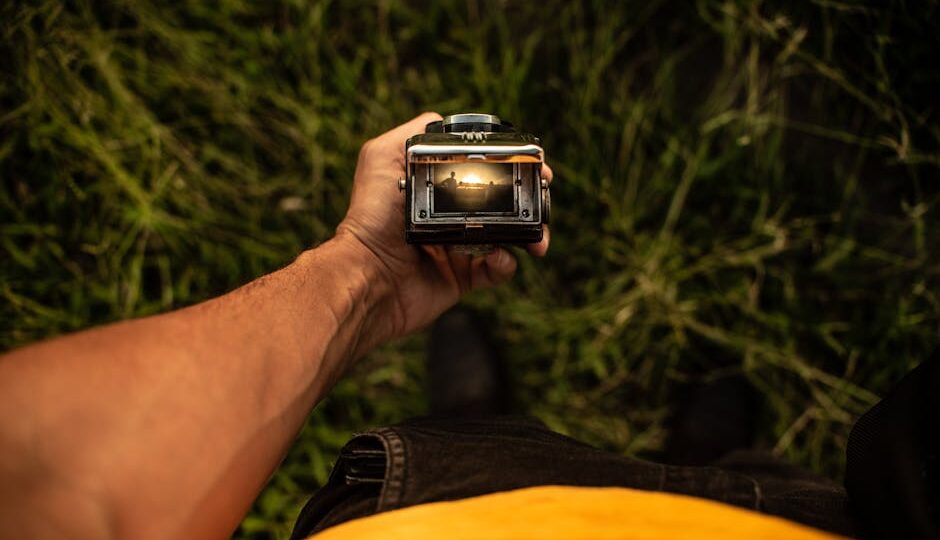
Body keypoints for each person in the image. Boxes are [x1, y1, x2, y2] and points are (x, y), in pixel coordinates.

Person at [0, 113, 935, 540]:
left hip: (449, 513)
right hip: (809, 524)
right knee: (741, 472)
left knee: (477, 436)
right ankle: (707, 455)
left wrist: (362, 272)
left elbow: (65, 473)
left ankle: (490, 421)